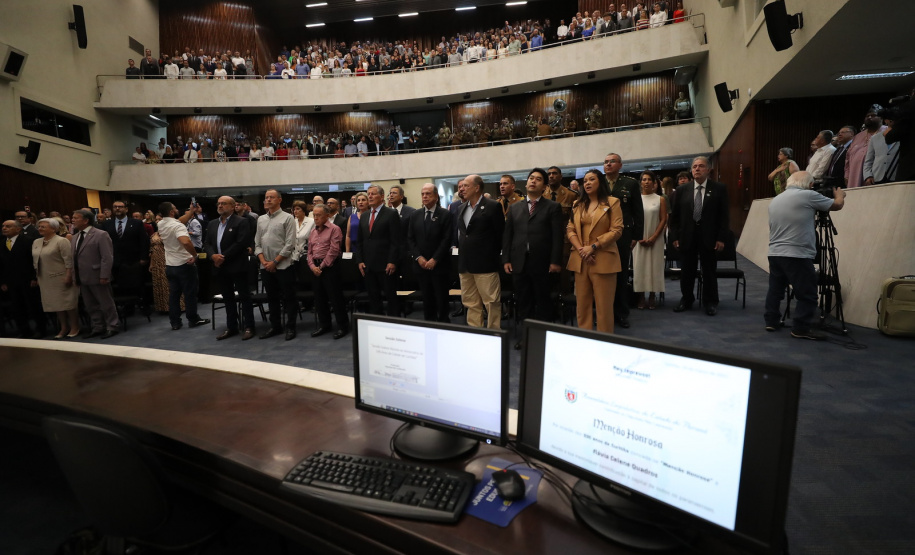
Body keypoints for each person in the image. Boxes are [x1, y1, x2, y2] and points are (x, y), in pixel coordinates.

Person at [765, 171, 845, 340]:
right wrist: (840, 195)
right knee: (807, 293)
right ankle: (800, 328)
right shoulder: (808, 196)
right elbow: (837, 205)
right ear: (810, 185)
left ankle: (771, 321)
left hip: (775, 252)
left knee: (775, 290)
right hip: (797, 254)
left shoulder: (776, 199)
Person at [502, 168, 564, 337]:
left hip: (543, 263)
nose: (533, 181)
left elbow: (558, 237)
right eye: (531, 178)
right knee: (523, 303)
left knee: (543, 302)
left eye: (537, 179)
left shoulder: (553, 207)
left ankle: (541, 339)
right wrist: (506, 259)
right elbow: (508, 236)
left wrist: (555, 261)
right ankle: (525, 338)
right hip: (519, 263)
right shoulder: (515, 208)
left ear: (544, 186)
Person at [669, 156, 730, 316]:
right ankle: (686, 299)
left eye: (701, 166)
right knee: (687, 271)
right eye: (694, 166)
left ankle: (710, 302)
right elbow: (674, 217)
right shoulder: (682, 190)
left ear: (708, 170)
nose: (697, 169)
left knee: (709, 271)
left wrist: (721, 238)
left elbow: (724, 216)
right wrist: (674, 236)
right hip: (686, 237)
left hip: (709, 237)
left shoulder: (719, 188)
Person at [566, 170, 623, 333]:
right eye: (585, 181)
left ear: (601, 182)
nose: (588, 183)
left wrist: (593, 248)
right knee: (582, 306)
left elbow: (617, 230)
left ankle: (605, 342)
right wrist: (582, 250)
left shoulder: (612, 202)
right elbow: (570, 229)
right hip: (581, 260)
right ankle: (585, 340)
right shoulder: (577, 204)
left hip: (603, 259)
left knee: (603, 307)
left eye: (592, 179)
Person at [457, 174, 505, 329]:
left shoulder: (492, 206)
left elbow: (500, 235)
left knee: (491, 302)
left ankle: (494, 333)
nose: (462, 188)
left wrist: (491, 255)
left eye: (465, 185)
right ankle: (476, 332)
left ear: (476, 188)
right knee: (470, 302)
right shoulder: (461, 208)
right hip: (465, 264)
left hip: (486, 263)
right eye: (462, 186)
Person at [206, 196, 255, 341]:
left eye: (224, 203)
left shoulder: (242, 222)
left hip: (236, 265)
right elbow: (207, 243)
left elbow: (241, 243)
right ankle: (231, 327)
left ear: (233, 206)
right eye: (219, 203)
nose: (220, 206)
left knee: (244, 297)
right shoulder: (213, 223)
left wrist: (222, 257)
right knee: (228, 298)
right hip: (219, 267)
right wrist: (213, 256)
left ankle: (249, 327)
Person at [604, 153, 643, 329]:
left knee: (621, 275)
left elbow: (637, 212)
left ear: (620, 165)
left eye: (612, 161)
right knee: (603, 275)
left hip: (622, 236)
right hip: (601, 236)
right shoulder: (598, 182)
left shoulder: (630, 183)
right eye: (605, 162)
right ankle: (604, 312)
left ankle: (621, 313)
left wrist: (636, 235)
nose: (608, 164)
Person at [157, 202, 209, 331]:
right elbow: (185, 241)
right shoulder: (178, 226)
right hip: (184, 264)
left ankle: (175, 322)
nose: (176, 209)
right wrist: (195, 254)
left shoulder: (161, 223)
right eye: (175, 208)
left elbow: (179, 221)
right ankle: (193, 319)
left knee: (174, 295)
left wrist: (191, 211)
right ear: (171, 212)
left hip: (170, 265)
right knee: (190, 294)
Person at [407, 184, 453, 323]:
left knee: (441, 297)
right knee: (427, 298)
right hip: (421, 265)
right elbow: (410, 238)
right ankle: (429, 323)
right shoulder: (415, 215)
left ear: (436, 196)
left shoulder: (445, 214)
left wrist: (435, 259)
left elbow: (447, 239)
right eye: (423, 194)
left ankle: (444, 323)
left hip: (439, 265)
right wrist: (418, 257)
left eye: (428, 194)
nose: (425, 196)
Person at [254, 190, 297, 340]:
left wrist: (275, 261)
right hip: (265, 265)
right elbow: (257, 243)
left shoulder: (288, 218)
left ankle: (291, 327)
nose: (268, 200)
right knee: (272, 298)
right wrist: (263, 261)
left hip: (283, 265)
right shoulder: (260, 219)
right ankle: (275, 327)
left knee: (288, 297)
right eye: (266, 197)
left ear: (279, 199)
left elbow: (290, 244)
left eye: (271, 197)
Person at [70, 209, 120, 338]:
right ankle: (98, 326)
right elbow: (73, 258)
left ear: (86, 220)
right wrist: (74, 276)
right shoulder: (75, 236)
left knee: (106, 303)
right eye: (73, 217)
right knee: (90, 305)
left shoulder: (100, 234)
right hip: (82, 276)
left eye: (76, 218)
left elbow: (107, 257)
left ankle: (112, 326)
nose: (73, 220)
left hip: (97, 274)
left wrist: (105, 275)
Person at [355, 185, 401, 316]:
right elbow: (360, 241)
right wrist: (359, 261)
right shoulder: (364, 216)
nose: (369, 196)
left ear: (382, 197)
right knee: (374, 299)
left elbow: (396, 241)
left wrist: (392, 261)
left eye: (373, 194)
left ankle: (395, 326)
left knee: (391, 299)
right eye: (368, 194)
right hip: (368, 265)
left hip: (386, 265)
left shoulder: (391, 214)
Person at [307, 204, 349, 340]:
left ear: (327, 215)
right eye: (314, 215)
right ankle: (325, 325)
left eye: (318, 215)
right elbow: (309, 252)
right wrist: (313, 266)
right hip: (316, 268)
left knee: (335, 299)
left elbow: (334, 250)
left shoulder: (334, 229)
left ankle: (343, 326)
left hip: (330, 267)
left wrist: (322, 266)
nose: (315, 218)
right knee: (319, 299)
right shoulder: (313, 231)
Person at [32, 218, 80, 339]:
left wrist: (69, 275)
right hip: (45, 278)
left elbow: (68, 260)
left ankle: (74, 326)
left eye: (43, 226)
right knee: (56, 305)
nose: (40, 228)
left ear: (54, 228)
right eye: (39, 226)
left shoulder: (61, 241)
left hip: (61, 276)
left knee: (68, 304)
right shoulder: (36, 242)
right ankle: (64, 327)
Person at [1, 219, 46, 338]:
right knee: (17, 307)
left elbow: (34, 261)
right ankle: (25, 330)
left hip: (28, 279)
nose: (4, 228)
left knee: (33, 306)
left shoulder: (28, 241)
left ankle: (41, 329)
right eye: (3, 226)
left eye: (8, 226)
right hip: (11, 281)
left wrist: (34, 277)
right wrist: (3, 282)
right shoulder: (1, 243)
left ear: (18, 229)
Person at [632, 171, 668, 310]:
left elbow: (663, 219)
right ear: (640, 183)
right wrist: (638, 237)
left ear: (654, 183)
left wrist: (653, 237)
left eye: (649, 180)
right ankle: (641, 296)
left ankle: (652, 296)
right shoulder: (636, 199)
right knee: (639, 267)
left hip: (656, 239)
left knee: (655, 267)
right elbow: (633, 219)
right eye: (644, 179)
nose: (646, 182)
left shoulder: (660, 199)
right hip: (639, 240)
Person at [845, 106, 885, 189]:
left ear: (881, 118)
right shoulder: (858, 136)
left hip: (875, 177)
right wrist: (847, 175)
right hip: (854, 177)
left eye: (873, 115)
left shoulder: (886, 132)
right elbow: (848, 157)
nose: (869, 117)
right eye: (867, 116)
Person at [291, 200, 315, 282]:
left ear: (304, 210)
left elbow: (313, 239)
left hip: (307, 256)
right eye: (294, 209)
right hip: (293, 256)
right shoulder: (292, 222)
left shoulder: (311, 222)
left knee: (306, 279)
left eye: (298, 209)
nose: (295, 211)